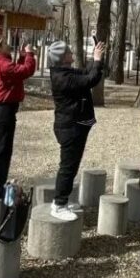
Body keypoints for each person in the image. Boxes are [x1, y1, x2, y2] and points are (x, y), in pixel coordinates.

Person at [48, 40, 105, 220]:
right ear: (62, 57)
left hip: (75, 125)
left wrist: (96, 59)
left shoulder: (65, 72)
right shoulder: (63, 78)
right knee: (67, 167)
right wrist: (97, 60)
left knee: (72, 166)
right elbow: (90, 80)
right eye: (68, 51)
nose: (72, 52)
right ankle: (59, 205)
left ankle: (62, 200)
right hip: (70, 127)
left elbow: (87, 73)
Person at [0, 35, 37, 198]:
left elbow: (16, 74)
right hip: (4, 110)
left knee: (3, 149)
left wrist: (21, 57)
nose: (9, 45)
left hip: (2, 110)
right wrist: (29, 54)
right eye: (5, 43)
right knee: (2, 151)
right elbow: (26, 71)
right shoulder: (2, 64)